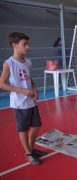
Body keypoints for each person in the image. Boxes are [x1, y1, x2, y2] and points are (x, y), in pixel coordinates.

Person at [0, 32, 43, 165]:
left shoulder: (28, 61)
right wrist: (21, 91)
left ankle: (30, 148)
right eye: (24, 44)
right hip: (19, 104)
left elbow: (29, 79)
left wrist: (34, 88)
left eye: (27, 44)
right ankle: (28, 152)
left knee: (37, 125)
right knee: (23, 129)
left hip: (31, 102)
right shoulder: (9, 64)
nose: (28, 47)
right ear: (14, 45)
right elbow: (1, 83)